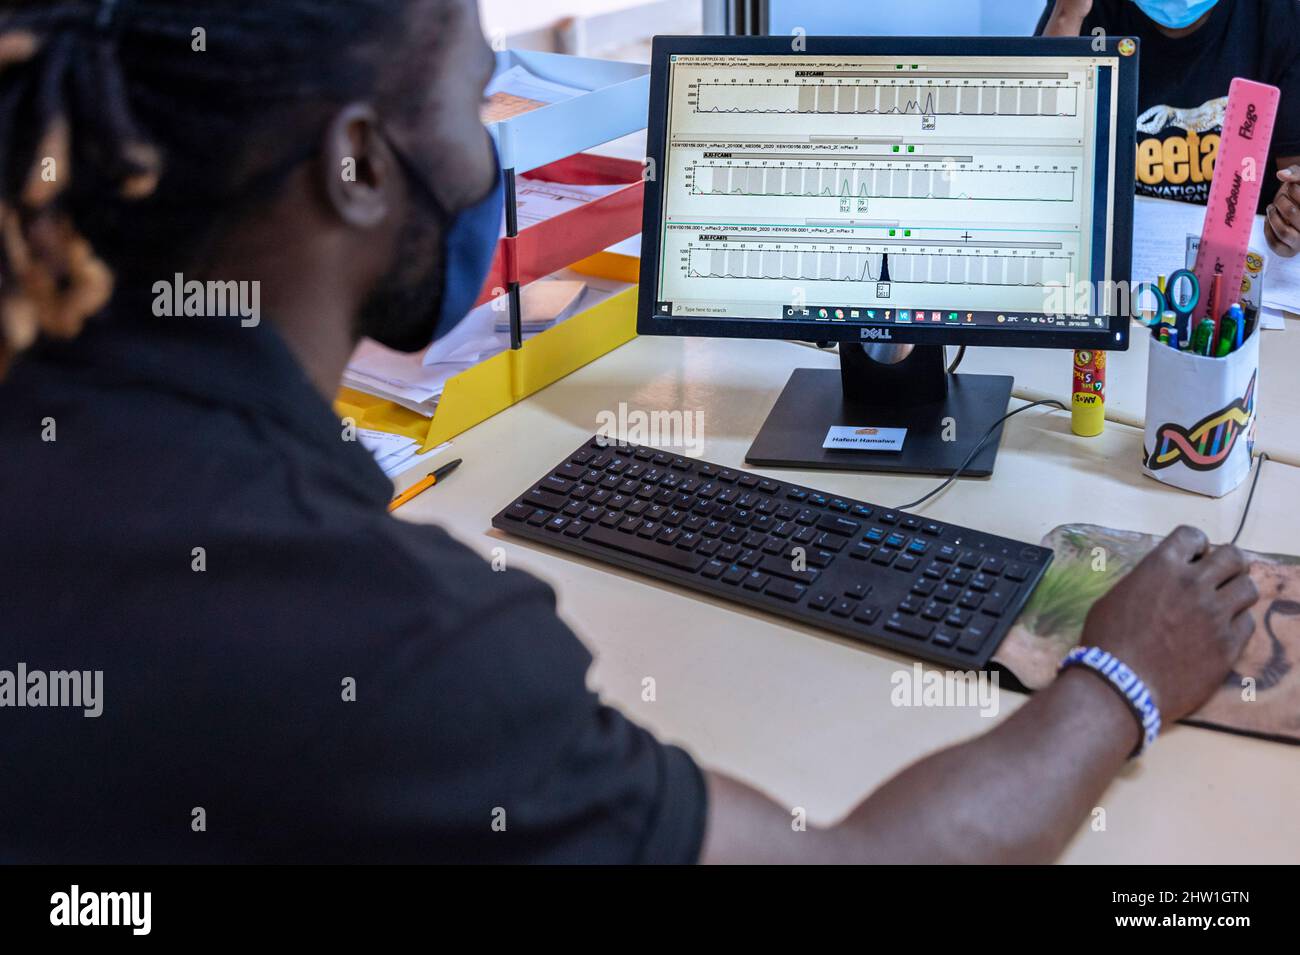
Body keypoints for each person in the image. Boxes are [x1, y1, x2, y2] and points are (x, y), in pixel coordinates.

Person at [0, 0, 1257, 864]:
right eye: (471, 98)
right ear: (358, 166)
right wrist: (1121, 677)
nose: (489, 152)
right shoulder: (390, 646)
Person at [1039, 0, 1300, 257]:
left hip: (1239, 272)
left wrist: (1290, 217)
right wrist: (1067, 16)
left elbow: (1291, 177)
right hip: (1114, 267)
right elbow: (1037, 158)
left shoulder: (1281, 16)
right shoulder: (1080, 11)